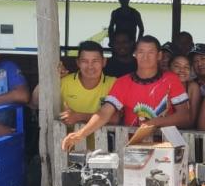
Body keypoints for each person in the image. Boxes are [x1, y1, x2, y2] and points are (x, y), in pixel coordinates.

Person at [61, 36, 191, 150]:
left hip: (167, 147)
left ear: (159, 56)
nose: (145, 57)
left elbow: (185, 117)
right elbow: (104, 113)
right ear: (135, 54)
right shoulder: (123, 82)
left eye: (150, 52)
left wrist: (155, 122)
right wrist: (81, 134)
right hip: (132, 148)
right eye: (141, 52)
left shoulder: (171, 80)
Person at [32, 41, 116, 129]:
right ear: (78, 62)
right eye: (84, 61)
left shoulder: (113, 83)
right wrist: (49, 77)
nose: (90, 66)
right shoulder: (63, 82)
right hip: (64, 141)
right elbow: (35, 103)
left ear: (104, 62)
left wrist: (79, 116)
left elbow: (115, 118)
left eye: (95, 61)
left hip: (101, 142)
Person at [170, 54, 202, 122]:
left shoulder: (193, 87)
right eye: (177, 66)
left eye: (186, 67)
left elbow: (192, 120)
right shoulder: (162, 85)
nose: (182, 70)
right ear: (169, 68)